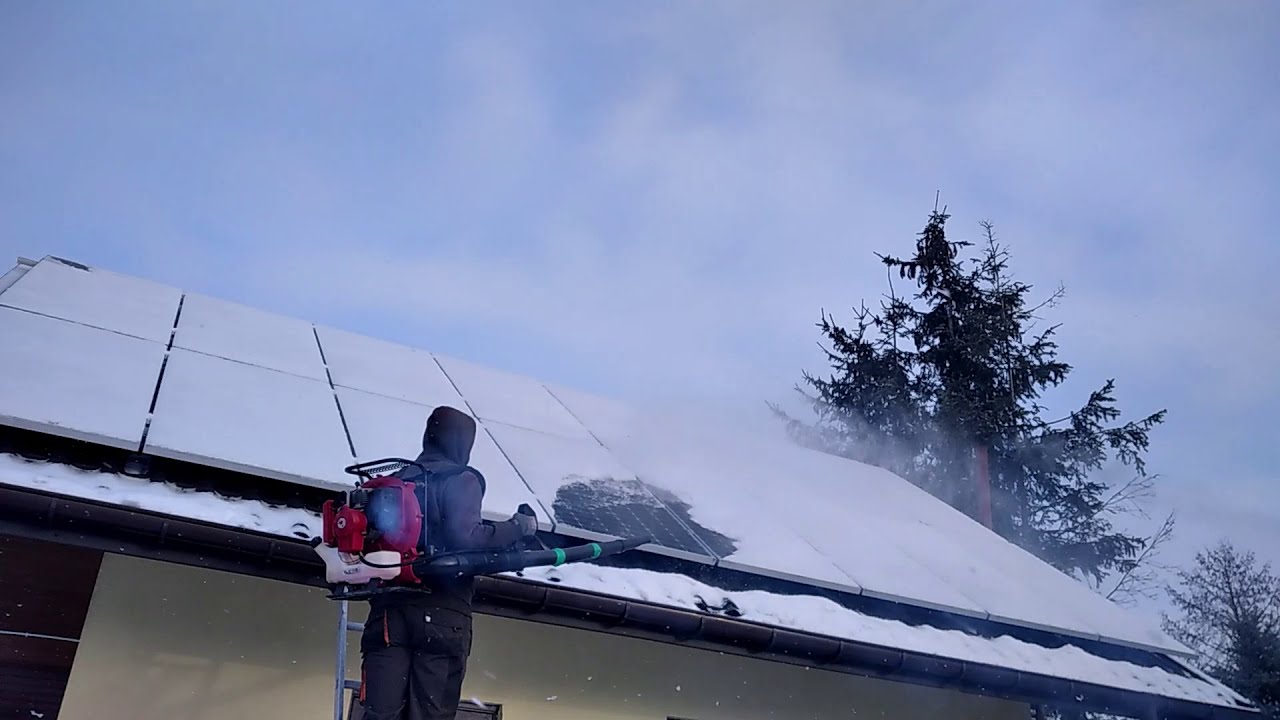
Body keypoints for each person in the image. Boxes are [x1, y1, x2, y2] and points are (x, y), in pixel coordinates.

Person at [358, 405, 536, 720]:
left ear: (428, 436)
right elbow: (467, 538)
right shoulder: (460, 478)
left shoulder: (395, 482)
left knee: (380, 714)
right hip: (442, 615)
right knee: (430, 713)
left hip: (388, 614)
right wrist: (517, 527)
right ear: (463, 443)